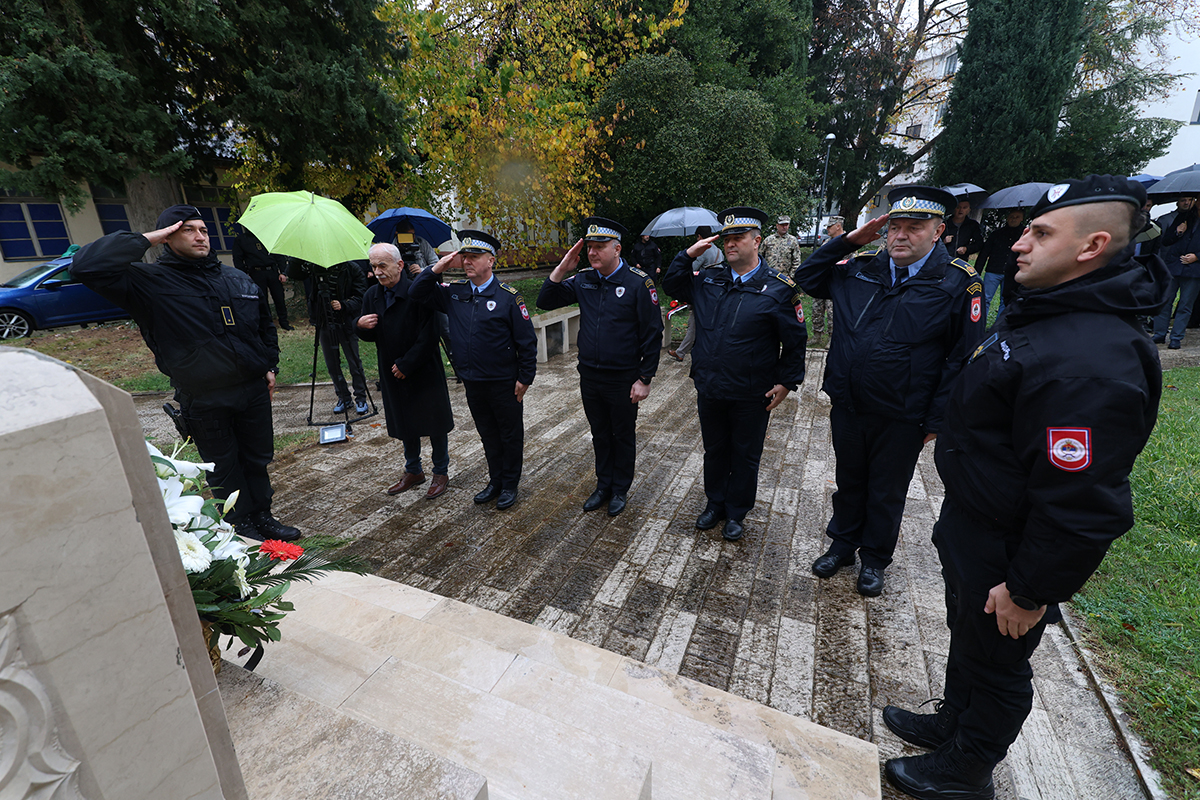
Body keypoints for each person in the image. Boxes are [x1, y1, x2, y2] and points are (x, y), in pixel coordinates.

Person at [882, 175, 1168, 800]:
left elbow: (1082, 503)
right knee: (971, 635)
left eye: (1041, 233)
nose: (1019, 244)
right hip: (976, 523)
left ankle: (967, 769)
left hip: (1010, 547)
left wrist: (1030, 589)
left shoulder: (1093, 358)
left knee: (999, 660)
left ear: (1091, 247)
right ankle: (953, 724)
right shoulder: (1047, 313)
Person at [795, 186, 985, 597]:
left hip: (904, 413)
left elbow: (962, 358)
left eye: (914, 228)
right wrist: (847, 241)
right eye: (894, 227)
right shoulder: (859, 266)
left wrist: (937, 419)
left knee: (886, 489)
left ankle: (875, 558)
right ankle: (843, 545)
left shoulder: (957, 282)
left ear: (937, 232)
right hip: (849, 402)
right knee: (850, 479)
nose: (900, 236)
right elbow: (806, 278)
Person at [73, 205, 299, 541]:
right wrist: (148, 239)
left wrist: (269, 365)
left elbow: (264, 325)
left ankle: (263, 516)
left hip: (251, 389)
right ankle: (239, 526)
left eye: (204, 230)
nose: (200, 236)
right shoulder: (148, 282)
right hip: (204, 395)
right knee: (222, 464)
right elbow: (86, 266)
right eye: (187, 230)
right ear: (168, 237)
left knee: (257, 457)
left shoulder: (236, 277)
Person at [663, 207, 808, 541]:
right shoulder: (710, 279)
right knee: (715, 450)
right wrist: (687, 255)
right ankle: (715, 503)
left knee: (745, 454)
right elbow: (672, 285)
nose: (730, 244)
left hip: (751, 391)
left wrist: (788, 381)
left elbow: (796, 340)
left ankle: (737, 512)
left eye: (738, 238)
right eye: (726, 238)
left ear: (757, 241)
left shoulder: (778, 288)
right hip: (710, 385)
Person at [537, 217, 663, 516]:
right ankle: (603, 484)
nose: (593, 253)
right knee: (600, 433)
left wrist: (645, 378)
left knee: (622, 433)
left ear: (617, 249)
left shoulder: (637, 282)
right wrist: (563, 268)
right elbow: (545, 300)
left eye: (600, 247)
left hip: (623, 378)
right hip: (590, 375)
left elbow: (652, 332)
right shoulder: (583, 279)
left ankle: (620, 489)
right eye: (590, 247)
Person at [410, 231, 538, 509]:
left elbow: (527, 342)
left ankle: (510, 485)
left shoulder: (508, 298)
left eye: (474, 257)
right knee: (488, 434)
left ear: (490, 261)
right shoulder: (455, 292)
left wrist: (525, 378)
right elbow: (416, 292)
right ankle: (495, 481)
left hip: (505, 382)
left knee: (510, 435)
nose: (467, 261)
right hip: (473, 380)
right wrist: (439, 267)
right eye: (464, 256)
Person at [356, 243, 455, 500]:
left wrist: (407, 364)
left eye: (382, 265)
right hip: (392, 370)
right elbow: (371, 335)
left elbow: (432, 333)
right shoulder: (372, 296)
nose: (377, 272)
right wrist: (359, 326)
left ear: (399, 265)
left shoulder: (418, 290)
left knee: (434, 422)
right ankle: (414, 470)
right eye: (373, 266)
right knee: (405, 420)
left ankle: (440, 471)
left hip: (423, 367)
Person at [287, 258, 369, 415]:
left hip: (345, 321)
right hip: (323, 320)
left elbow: (361, 296)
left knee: (354, 361)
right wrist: (296, 258)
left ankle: (361, 397)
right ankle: (343, 397)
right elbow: (293, 274)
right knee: (332, 363)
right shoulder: (315, 267)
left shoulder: (352, 268)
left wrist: (343, 304)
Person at [1150, 195, 1200, 348]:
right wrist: (1178, 231)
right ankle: (1159, 334)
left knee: (1185, 304)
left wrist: (1197, 256)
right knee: (1165, 300)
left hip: (1194, 269)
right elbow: (1166, 240)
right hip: (1174, 265)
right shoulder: (1183, 217)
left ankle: (1176, 338)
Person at [668, 226, 718, 362]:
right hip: (714, 292)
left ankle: (681, 352)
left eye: (697, 236)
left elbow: (692, 268)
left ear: (700, 237)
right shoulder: (718, 250)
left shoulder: (703, 250)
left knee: (693, 324)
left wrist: (687, 256)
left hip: (701, 290)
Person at [232, 229, 292, 330]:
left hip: (272, 271)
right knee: (262, 299)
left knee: (279, 298)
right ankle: (267, 324)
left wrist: (283, 272)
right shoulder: (241, 240)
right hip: (256, 272)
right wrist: (244, 275)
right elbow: (238, 259)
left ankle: (284, 322)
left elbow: (278, 255)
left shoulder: (268, 237)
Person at [974, 209, 1025, 315]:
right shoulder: (997, 234)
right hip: (993, 270)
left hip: (1012, 273)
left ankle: (997, 329)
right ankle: (980, 325)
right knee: (985, 299)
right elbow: (984, 253)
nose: (1013, 219)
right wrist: (977, 271)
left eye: (1017, 217)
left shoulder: (1024, 235)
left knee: (1006, 301)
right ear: (1007, 217)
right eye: (1011, 216)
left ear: (1022, 219)